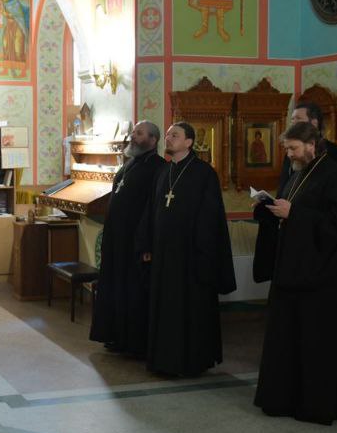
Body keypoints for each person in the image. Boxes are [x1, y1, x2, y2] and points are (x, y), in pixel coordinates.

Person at [252, 121, 337, 425]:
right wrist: (271, 208)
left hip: (323, 279)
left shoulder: (335, 177)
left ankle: (316, 404)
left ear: (311, 145)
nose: (289, 154)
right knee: (290, 339)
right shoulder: (300, 173)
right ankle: (286, 398)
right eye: (287, 148)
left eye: (293, 148)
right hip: (295, 271)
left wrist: (294, 213)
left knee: (317, 343)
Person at [136, 122, 235, 376]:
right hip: (162, 255)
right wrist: (147, 244)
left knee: (189, 308)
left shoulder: (204, 173)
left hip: (190, 257)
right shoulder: (163, 171)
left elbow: (210, 217)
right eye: (168, 135)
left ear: (189, 142)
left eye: (175, 135)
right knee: (165, 308)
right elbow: (151, 209)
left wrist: (198, 248)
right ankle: (164, 359)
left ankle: (191, 361)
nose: (169, 138)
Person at [90, 121, 167, 355]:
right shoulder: (130, 163)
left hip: (135, 241)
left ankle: (134, 342)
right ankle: (116, 335)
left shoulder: (158, 167)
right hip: (117, 240)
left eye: (139, 133)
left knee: (133, 291)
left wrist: (146, 243)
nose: (133, 136)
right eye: (133, 132)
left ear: (153, 140)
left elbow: (152, 209)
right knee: (116, 287)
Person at [278, 100, 337, 193]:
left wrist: (296, 204)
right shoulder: (291, 152)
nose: (293, 124)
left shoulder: (334, 153)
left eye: (298, 119)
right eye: (292, 119)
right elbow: (283, 185)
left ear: (314, 123)